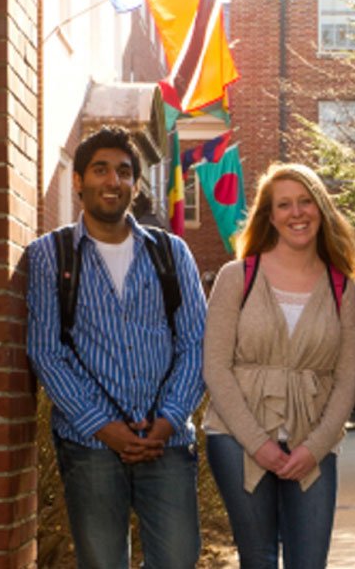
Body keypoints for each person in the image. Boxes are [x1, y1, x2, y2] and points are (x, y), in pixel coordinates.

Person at [26, 126, 207, 569]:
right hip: (89, 445)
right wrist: (105, 427)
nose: (113, 181)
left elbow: (196, 343)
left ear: (136, 184)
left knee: (179, 560)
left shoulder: (171, 252)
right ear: (78, 180)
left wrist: (166, 422)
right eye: (101, 170)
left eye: (124, 172)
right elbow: (47, 351)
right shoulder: (51, 255)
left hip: (166, 443)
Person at [202, 163, 355, 568]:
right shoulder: (237, 276)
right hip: (237, 438)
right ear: (269, 216)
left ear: (321, 208)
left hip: (314, 439)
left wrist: (315, 447)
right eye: (284, 205)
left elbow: (347, 379)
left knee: (309, 561)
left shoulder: (344, 287)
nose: (297, 213)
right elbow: (216, 368)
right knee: (257, 559)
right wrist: (259, 444)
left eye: (306, 202)